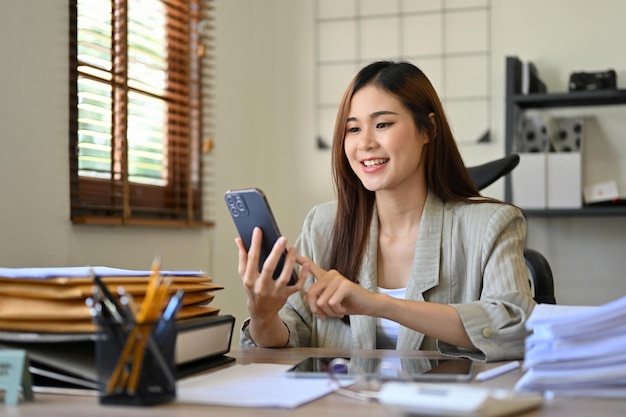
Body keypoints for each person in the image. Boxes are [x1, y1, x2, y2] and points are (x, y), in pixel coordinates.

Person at [235, 60, 536, 362]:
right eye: (353, 129)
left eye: (382, 124)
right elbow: (291, 333)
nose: (364, 143)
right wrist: (263, 315)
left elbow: (516, 330)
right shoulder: (323, 225)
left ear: (427, 129)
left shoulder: (492, 225)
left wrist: (379, 304)